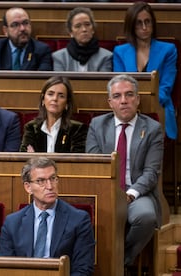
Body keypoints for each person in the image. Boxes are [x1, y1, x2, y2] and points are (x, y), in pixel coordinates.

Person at [86, 74, 163, 266]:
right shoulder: (97, 125)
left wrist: (130, 194)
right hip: (104, 191)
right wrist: (109, 193)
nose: (124, 101)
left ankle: (120, 261)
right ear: (110, 102)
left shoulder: (152, 128)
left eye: (129, 95)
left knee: (146, 217)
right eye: (118, 96)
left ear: (137, 99)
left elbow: (151, 172)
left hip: (137, 191)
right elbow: (94, 164)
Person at [0, 157, 95, 275]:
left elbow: (83, 269)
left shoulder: (78, 220)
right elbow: (6, 269)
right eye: (41, 181)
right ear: (28, 187)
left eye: (53, 179)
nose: (50, 186)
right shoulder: (12, 223)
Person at [113, 2, 178, 140]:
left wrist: (143, 103)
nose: (144, 27)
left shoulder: (168, 50)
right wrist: (133, 104)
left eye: (147, 22)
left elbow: (166, 87)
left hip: (159, 108)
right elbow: (119, 84)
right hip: (128, 109)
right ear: (131, 26)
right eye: (139, 23)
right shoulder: (120, 52)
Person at [20, 76, 87, 153]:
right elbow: (25, 159)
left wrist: (36, 157)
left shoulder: (77, 129)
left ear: (67, 103)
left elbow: (76, 161)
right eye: (50, 94)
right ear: (43, 100)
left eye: (61, 96)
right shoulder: (31, 127)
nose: (55, 99)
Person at [0, 7, 52, 71]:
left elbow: (42, 79)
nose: (22, 28)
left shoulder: (42, 50)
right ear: (5, 31)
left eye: (25, 23)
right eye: (15, 25)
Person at [52, 7, 112, 72]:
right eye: (78, 26)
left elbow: (103, 82)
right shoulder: (59, 57)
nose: (84, 29)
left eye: (87, 24)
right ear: (71, 32)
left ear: (93, 29)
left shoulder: (105, 56)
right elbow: (60, 81)